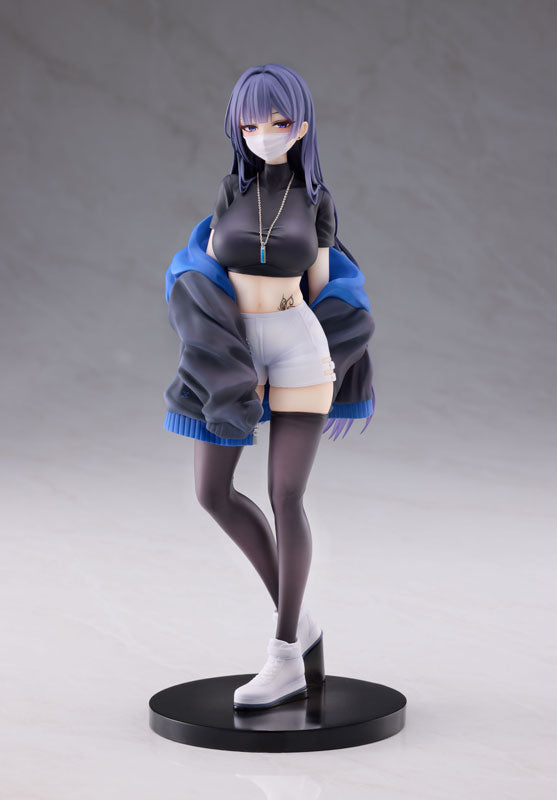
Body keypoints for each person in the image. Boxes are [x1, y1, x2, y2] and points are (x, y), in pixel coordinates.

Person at [162, 63, 375, 710]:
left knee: (286, 495)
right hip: (237, 345)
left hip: (298, 344)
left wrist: (338, 355)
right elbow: (208, 276)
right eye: (250, 123)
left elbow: (326, 284)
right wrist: (222, 350)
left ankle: (284, 655)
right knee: (212, 492)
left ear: (300, 126)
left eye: (277, 121)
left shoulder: (316, 200)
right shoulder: (232, 191)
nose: (263, 134)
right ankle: (300, 622)